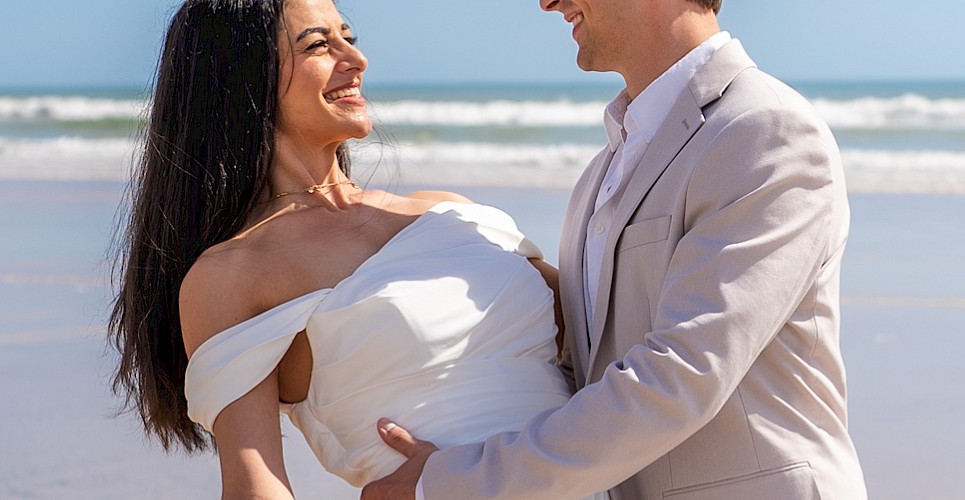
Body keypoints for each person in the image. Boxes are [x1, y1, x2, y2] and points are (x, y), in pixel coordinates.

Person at [363, 0, 868, 498]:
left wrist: (459, 481)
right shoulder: (600, 173)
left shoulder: (764, 130)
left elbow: (685, 373)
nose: (547, 3)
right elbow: (583, 368)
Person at [106, 1, 583, 498]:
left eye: (348, 36)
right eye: (318, 43)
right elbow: (256, 487)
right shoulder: (234, 274)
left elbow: (605, 337)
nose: (355, 59)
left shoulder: (450, 211)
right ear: (241, 78)